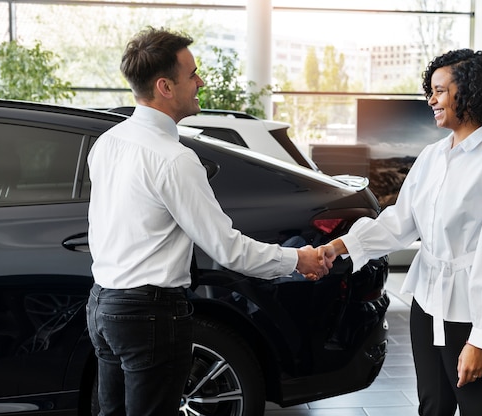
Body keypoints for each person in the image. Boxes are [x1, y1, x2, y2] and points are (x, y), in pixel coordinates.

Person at [86, 27, 330, 416]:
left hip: (102, 305)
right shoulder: (174, 159)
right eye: (192, 74)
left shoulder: (107, 142)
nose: (200, 81)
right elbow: (227, 248)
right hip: (150, 313)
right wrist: (297, 260)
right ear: (165, 86)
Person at [319, 49, 482, 416]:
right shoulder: (432, 155)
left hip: (470, 310)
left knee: (479, 408)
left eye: (440, 91)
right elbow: (401, 221)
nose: (431, 99)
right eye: (430, 90)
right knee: (433, 406)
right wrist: (340, 246)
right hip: (426, 305)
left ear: (471, 93)